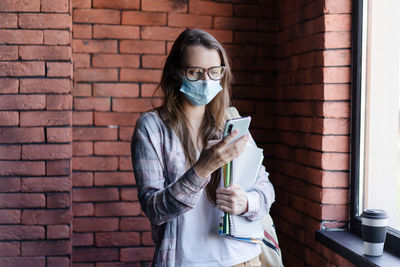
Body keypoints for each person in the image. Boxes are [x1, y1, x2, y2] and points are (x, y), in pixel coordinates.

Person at [131, 28, 275, 267]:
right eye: (195, 72)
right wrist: (202, 169)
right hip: (185, 261)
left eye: (214, 71)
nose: (206, 81)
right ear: (176, 73)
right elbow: (154, 209)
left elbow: (266, 188)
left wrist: (247, 202)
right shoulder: (151, 128)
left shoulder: (230, 121)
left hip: (244, 259)